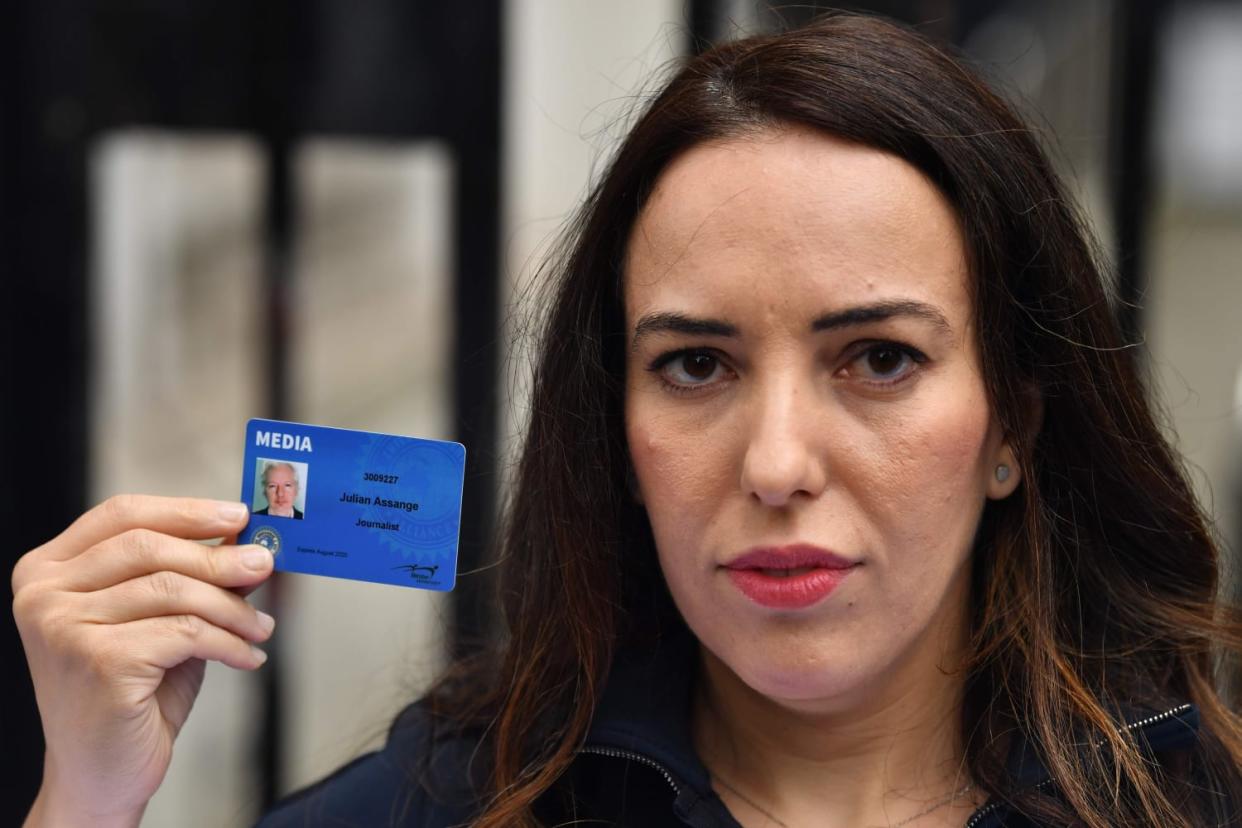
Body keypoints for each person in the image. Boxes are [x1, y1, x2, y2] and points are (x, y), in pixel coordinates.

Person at [12, 12, 1242, 828]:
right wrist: (85, 797)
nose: (775, 464)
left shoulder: (1197, 793)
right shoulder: (459, 801)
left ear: (1013, 425)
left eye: (877, 357)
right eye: (697, 366)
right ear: (618, 430)